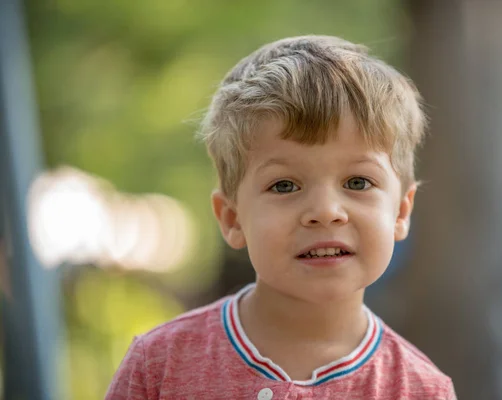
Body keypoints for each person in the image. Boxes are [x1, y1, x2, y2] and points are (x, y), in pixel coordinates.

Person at [106, 35, 457, 399]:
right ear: (232, 219)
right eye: (285, 186)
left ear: (401, 211)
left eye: (357, 181)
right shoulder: (159, 366)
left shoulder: (419, 390)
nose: (325, 212)